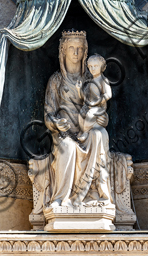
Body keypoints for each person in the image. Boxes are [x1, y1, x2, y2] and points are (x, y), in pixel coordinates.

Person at [44, 30, 112, 208]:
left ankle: (97, 193)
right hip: (65, 133)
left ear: (85, 52)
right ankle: (62, 198)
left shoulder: (91, 79)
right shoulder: (56, 80)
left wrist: (102, 119)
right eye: (71, 48)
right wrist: (56, 123)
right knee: (67, 147)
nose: (75, 53)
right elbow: (48, 113)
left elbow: (100, 105)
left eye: (80, 49)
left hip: (87, 129)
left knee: (100, 134)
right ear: (63, 51)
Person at [76, 54, 112, 143]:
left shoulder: (104, 80)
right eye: (90, 66)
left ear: (102, 67)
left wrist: (97, 102)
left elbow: (108, 94)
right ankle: (82, 131)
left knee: (90, 114)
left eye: (96, 66)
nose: (93, 69)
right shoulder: (89, 82)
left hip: (99, 107)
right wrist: (79, 89)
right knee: (81, 114)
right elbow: (84, 98)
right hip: (89, 105)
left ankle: (85, 132)